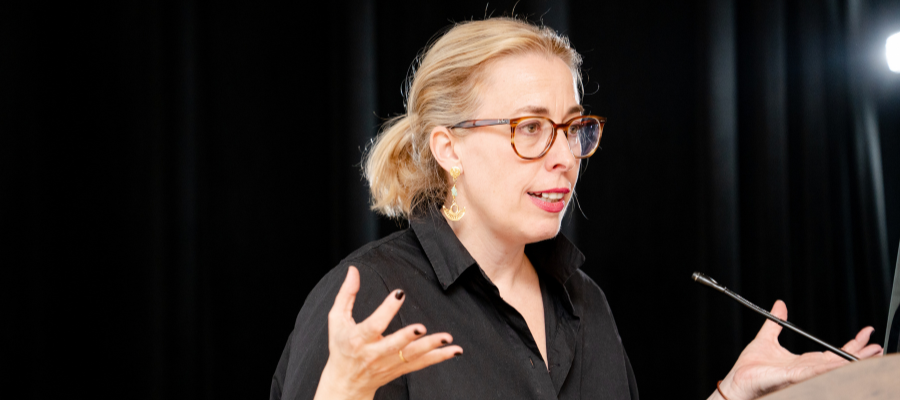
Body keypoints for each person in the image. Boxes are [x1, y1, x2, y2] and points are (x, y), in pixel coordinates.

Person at [269, 18, 882, 400]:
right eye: (530, 128)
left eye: (572, 128)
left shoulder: (583, 301)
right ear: (448, 147)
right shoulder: (369, 298)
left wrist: (731, 394)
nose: (564, 155)